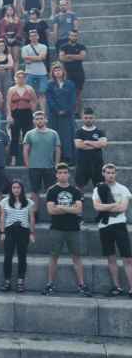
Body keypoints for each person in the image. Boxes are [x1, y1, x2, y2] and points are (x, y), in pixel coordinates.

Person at [44, 163, 90, 295]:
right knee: (54, 257)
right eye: (60, 173)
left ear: (68, 174)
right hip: (56, 228)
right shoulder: (52, 190)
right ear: (56, 175)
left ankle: (81, 284)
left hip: (73, 228)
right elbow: (51, 210)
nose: (63, 175)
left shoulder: (75, 191)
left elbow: (79, 209)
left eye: (65, 172)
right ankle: (50, 284)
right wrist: (70, 209)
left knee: (77, 257)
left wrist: (61, 208)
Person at [93, 164, 132, 297]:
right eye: (108, 172)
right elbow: (97, 207)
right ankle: (117, 287)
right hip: (105, 226)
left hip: (119, 224)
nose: (110, 175)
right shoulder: (98, 188)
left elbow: (123, 208)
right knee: (111, 258)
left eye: (113, 172)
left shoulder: (123, 189)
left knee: (127, 259)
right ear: (103, 173)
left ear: (116, 174)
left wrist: (107, 207)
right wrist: (115, 204)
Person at [0, 179, 36, 293]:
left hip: (23, 230)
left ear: (22, 189)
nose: (16, 190)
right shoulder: (4, 201)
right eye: (14, 187)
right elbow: (2, 217)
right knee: (8, 256)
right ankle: (7, 281)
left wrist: (32, 232)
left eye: (18, 187)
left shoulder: (29, 202)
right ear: (11, 189)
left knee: (22, 256)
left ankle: (20, 281)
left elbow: (32, 218)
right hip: (10, 230)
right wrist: (2, 232)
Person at [24, 111, 61, 203]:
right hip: (34, 167)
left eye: (41, 119)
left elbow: (58, 149)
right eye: (37, 119)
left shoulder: (54, 133)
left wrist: (57, 164)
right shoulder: (29, 134)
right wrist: (27, 164)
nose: (39, 121)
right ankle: (35, 214)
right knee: (34, 191)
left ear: (46, 120)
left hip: (49, 167)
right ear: (34, 121)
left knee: (51, 191)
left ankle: (52, 212)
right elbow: (25, 150)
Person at [75, 108, 107, 190]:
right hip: (82, 163)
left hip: (97, 164)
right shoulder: (79, 132)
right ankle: (79, 202)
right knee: (79, 186)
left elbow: (103, 144)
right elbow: (79, 145)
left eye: (90, 118)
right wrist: (96, 144)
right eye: (86, 118)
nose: (88, 120)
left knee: (100, 187)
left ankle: (99, 202)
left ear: (94, 118)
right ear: (82, 118)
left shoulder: (100, 131)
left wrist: (87, 142)